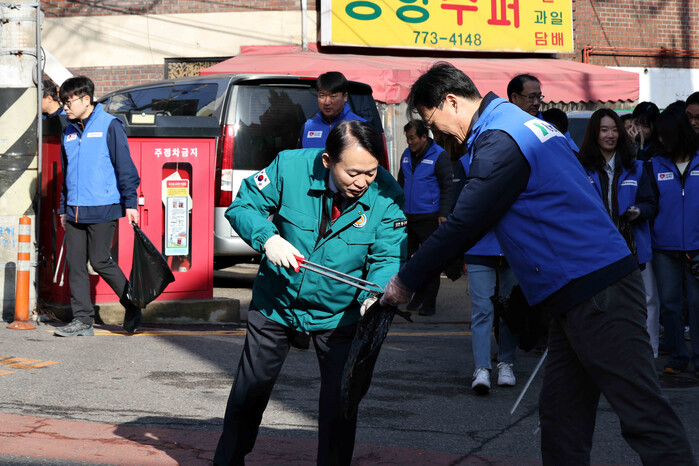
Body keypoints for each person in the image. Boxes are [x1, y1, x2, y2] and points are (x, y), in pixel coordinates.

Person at [379, 62, 694, 465]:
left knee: (643, 414)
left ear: (451, 102)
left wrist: (405, 280)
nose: (437, 133)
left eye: (432, 122)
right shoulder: (524, 125)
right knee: (562, 418)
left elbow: (465, 221)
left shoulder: (500, 139)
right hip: (574, 293)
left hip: (597, 291)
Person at [214, 120, 407, 466]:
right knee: (248, 394)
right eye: (353, 173)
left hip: (340, 313)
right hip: (277, 303)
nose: (362, 182)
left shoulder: (387, 194)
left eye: (371, 172)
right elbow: (243, 206)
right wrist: (268, 239)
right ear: (328, 161)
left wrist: (374, 295)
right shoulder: (290, 167)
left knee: (340, 405)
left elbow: (388, 256)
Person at [54, 76, 142, 337]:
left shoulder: (110, 125)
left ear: (86, 99)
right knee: (75, 264)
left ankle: (132, 304)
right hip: (74, 209)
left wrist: (130, 202)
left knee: (101, 260)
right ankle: (82, 320)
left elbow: (125, 166)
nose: (65, 107)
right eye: (63, 102)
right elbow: (67, 174)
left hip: (103, 206)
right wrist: (63, 207)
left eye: (69, 102)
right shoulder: (68, 131)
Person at [578, 109, 659, 357]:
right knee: (601, 303)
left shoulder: (637, 167)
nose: (610, 135)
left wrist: (638, 211)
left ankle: (646, 354)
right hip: (595, 250)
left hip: (633, 247)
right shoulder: (582, 168)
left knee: (642, 302)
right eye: (604, 130)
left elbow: (651, 203)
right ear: (594, 133)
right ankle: (604, 353)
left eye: (615, 130)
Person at [453, 154, 518, 394]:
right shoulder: (466, 161)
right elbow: (458, 205)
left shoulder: (519, 156)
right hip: (479, 245)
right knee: (482, 310)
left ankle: (506, 362)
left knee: (510, 309)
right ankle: (481, 368)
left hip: (514, 245)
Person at [649, 107, 699, 376]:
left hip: (697, 246)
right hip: (664, 248)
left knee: (697, 303)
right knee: (670, 303)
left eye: (665, 134)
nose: (660, 140)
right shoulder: (654, 164)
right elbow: (649, 203)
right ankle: (678, 356)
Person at [397, 120, 453, 316]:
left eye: (412, 138)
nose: (409, 142)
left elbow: (447, 187)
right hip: (408, 216)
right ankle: (415, 293)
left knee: (430, 260)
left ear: (423, 137)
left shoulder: (439, 156)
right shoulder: (406, 155)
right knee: (405, 258)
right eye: (407, 138)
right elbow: (400, 183)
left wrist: (443, 213)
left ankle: (429, 303)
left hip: (430, 217)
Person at [298, 71, 365, 149]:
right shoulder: (308, 127)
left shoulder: (361, 125)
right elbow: (300, 155)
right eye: (322, 96)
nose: (326, 102)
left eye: (333, 96)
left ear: (345, 97)